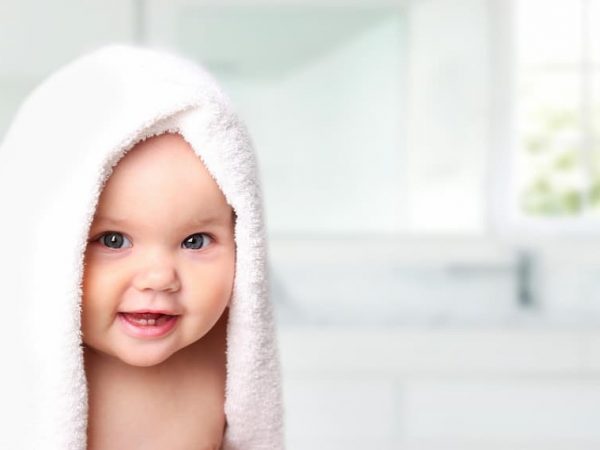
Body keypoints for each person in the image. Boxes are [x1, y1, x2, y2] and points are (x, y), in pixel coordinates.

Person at [0, 44, 285, 449]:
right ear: (44, 251)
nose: (159, 277)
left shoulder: (228, 370)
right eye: (114, 240)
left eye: (195, 241)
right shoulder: (18, 382)